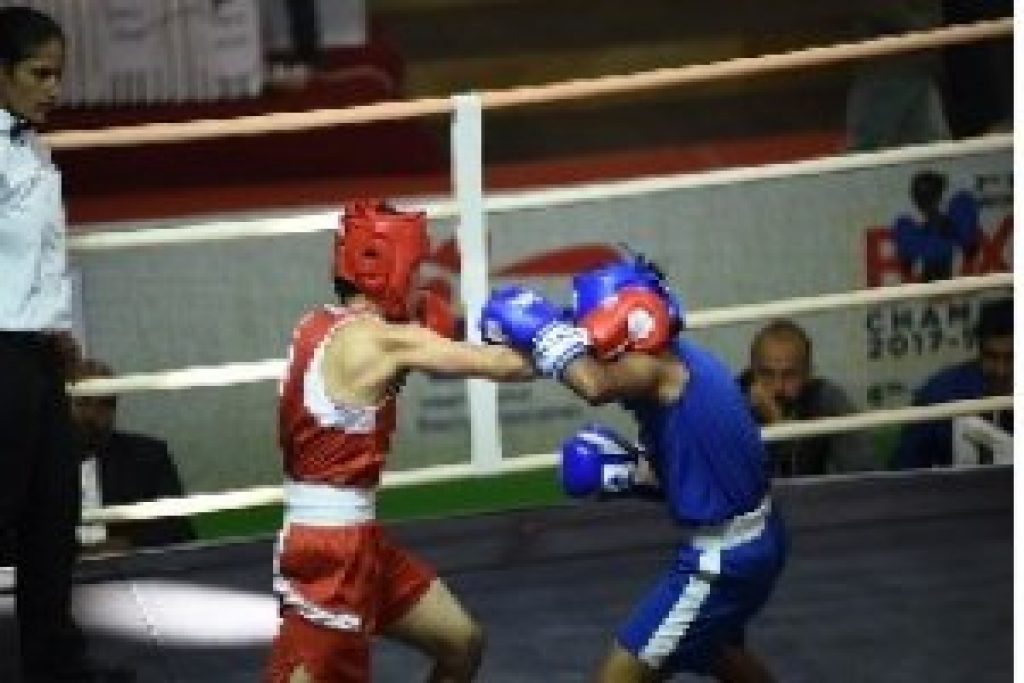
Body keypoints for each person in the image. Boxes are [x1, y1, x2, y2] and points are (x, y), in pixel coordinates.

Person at [480, 253, 787, 682]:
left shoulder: (658, 367)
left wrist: (544, 330)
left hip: (724, 558)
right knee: (715, 650)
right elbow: (702, 474)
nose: (591, 347)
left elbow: (594, 385)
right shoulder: (686, 360)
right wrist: (635, 473)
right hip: (760, 536)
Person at [264, 200, 534, 682]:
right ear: (386, 268)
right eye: (415, 268)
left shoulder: (315, 326)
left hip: (357, 542)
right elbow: (505, 366)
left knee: (461, 643)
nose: (419, 282)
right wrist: (582, 334)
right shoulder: (381, 341)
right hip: (330, 553)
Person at [0, 8, 136, 682]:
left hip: (37, 356)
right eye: (38, 73)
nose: (52, 87)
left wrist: (60, 335)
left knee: (52, 519)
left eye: (58, 73)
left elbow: (40, 260)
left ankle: (56, 664)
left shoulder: (33, 147)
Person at [70, 358, 195, 553]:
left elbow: (178, 529)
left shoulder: (148, 457)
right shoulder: (36, 465)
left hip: (131, 572)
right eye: (83, 402)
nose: (93, 414)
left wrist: (126, 545)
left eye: (105, 404)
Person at [738, 320, 877, 477]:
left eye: (790, 375)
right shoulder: (732, 404)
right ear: (752, 371)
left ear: (808, 373)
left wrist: (781, 428)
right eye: (767, 374)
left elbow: (864, 474)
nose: (778, 387)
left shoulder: (826, 399)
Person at [893, 297, 1012, 469]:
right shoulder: (941, 396)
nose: (1001, 370)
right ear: (979, 352)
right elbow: (904, 472)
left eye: (1012, 358)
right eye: (991, 357)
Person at [845, 2, 951, 152]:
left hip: (917, 64)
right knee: (867, 148)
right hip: (888, 64)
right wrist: (924, 32)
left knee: (934, 144)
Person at [891, 170, 980, 283]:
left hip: (956, 285)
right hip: (929, 288)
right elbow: (906, 267)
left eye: (929, 193)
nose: (924, 199)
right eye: (920, 194)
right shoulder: (906, 227)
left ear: (939, 194)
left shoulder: (958, 213)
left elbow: (970, 250)